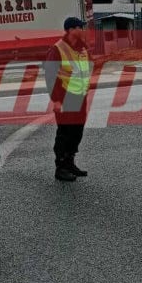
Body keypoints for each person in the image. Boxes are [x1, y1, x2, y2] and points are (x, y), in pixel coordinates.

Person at [45, 17, 92, 181]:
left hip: (80, 97)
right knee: (65, 133)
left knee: (77, 132)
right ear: (71, 30)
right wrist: (56, 100)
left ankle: (70, 162)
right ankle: (61, 167)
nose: (82, 30)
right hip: (65, 98)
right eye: (80, 27)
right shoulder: (57, 49)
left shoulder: (83, 49)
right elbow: (50, 76)